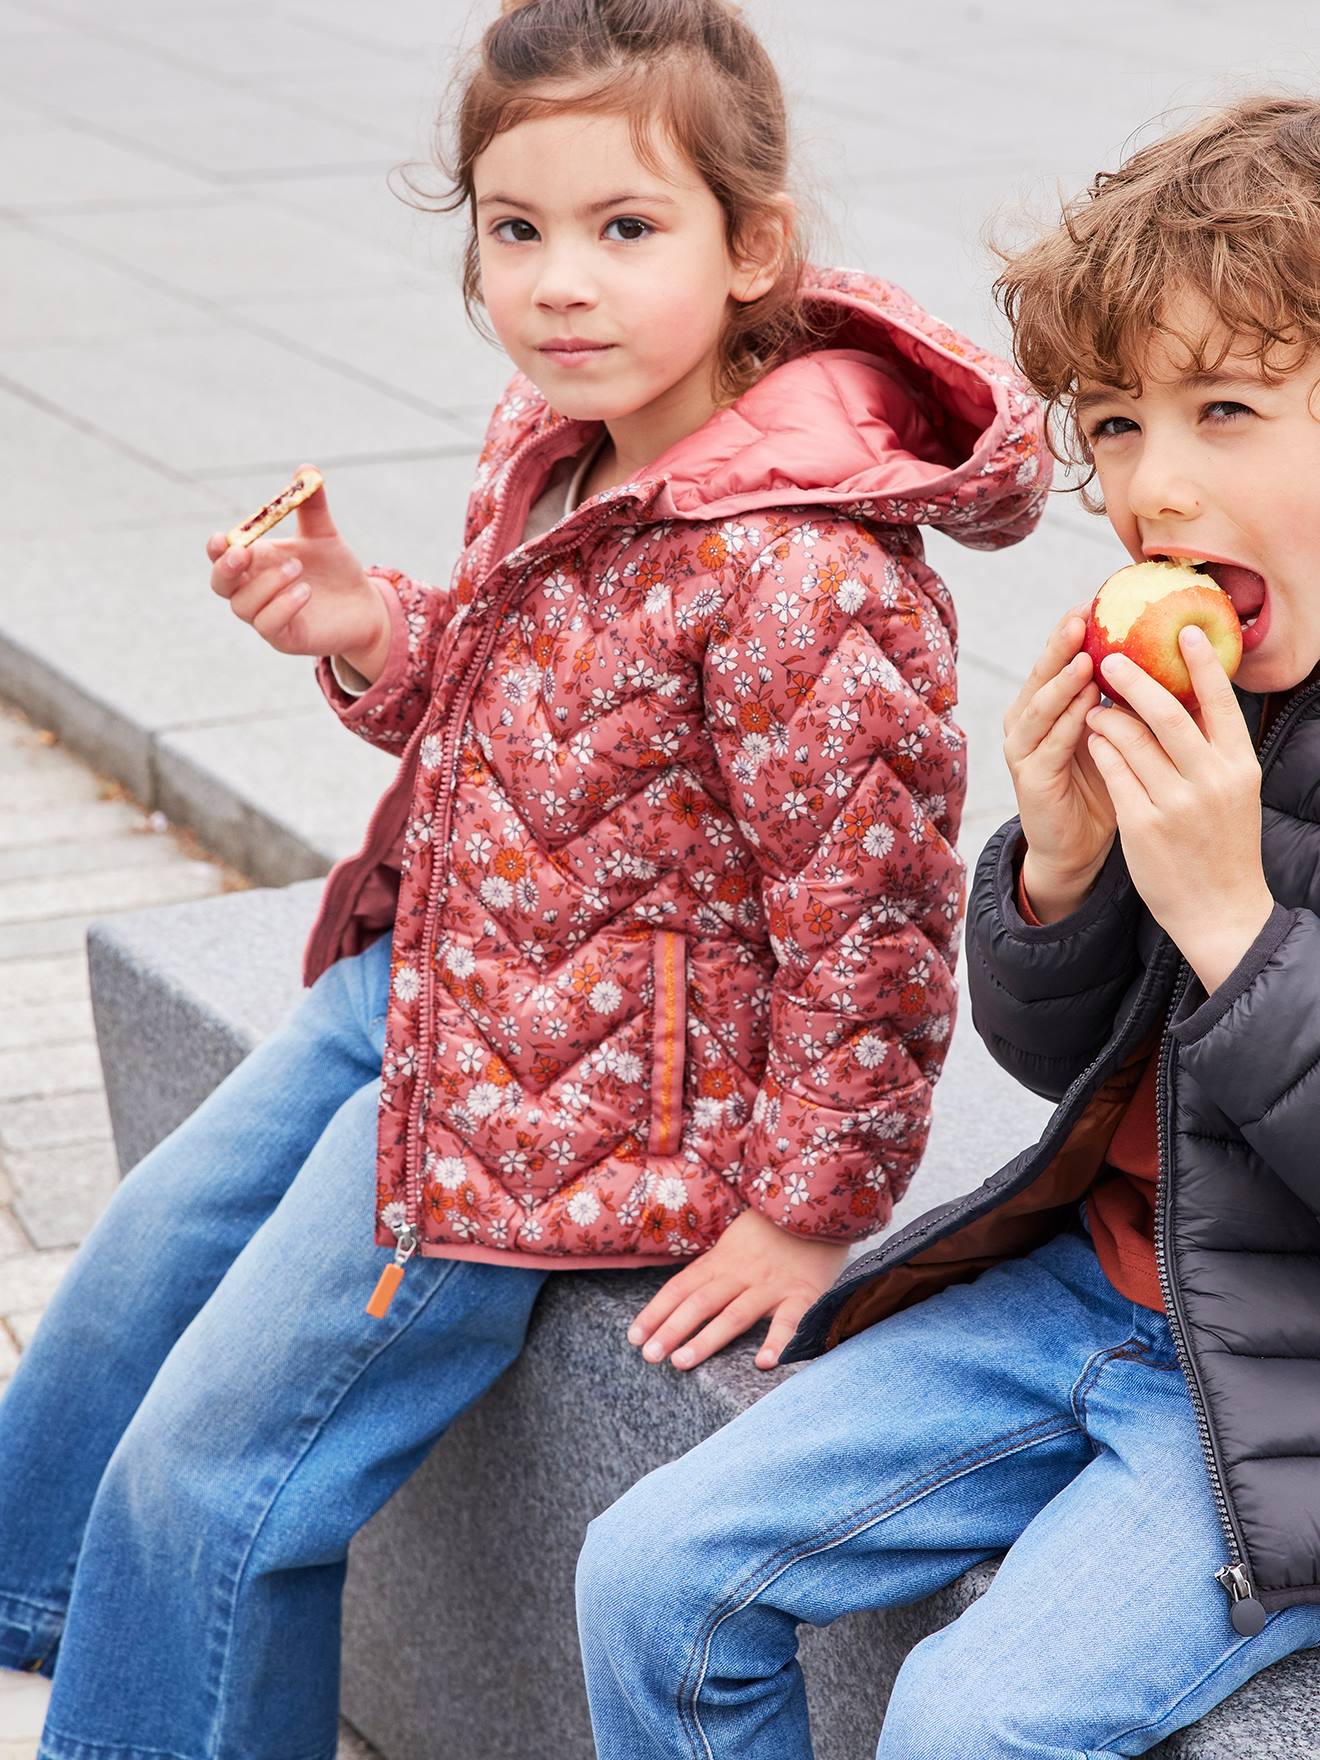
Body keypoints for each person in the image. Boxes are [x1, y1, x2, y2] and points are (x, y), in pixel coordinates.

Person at [0, 2, 1046, 1756]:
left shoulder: (805, 577)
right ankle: (44, 1611)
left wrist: (810, 1198)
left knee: (213, 1470)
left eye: (626, 230)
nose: (560, 282)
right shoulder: (556, 441)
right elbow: (528, 731)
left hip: (569, 1109)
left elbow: (870, 926)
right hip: (433, 978)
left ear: (750, 245)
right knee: (134, 1264)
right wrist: (363, 629)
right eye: (515, 228)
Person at [576, 92, 1320, 1759]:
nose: (1155, 485)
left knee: (968, 1724)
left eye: (1228, 407)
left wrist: (1235, 926)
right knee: (647, 1575)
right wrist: (1058, 873)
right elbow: (1059, 1053)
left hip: (1286, 1397)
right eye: (1118, 425)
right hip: (1094, 1294)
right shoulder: (1225, 697)